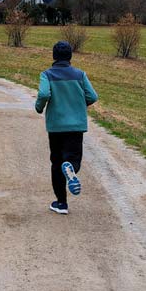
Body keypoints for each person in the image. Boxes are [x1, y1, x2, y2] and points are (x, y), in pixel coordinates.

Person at [34, 40, 98, 214]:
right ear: (70, 56)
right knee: (73, 159)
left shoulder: (47, 75)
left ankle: (61, 203)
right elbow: (92, 96)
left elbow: (43, 93)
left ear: (54, 56)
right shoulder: (80, 74)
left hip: (56, 126)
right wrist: (79, 105)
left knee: (56, 163)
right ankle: (71, 168)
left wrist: (39, 107)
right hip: (76, 126)